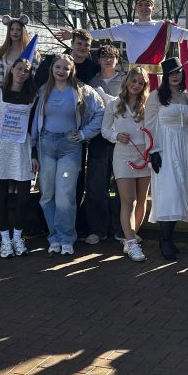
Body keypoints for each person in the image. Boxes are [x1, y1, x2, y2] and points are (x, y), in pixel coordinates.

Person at [59, 0, 188, 91]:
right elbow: (101, 33)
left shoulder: (164, 28)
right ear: (135, 9)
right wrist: (74, 33)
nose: (144, 8)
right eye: (140, 5)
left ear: (153, 8)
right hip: (133, 78)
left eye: (147, 5)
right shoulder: (127, 28)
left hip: (156, 79)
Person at [31, 54, 105, 256]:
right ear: (52, 69)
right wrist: (33, 149)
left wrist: (83, 134)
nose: (61, 71)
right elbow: (35, 120)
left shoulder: (82, 90)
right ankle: (54, 238)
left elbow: (101, 111)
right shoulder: (44, 90)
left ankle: (66, 238)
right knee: (47, 195)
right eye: (58, 67)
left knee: (65, 195)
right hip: (46, 146)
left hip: (69, 148)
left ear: (72, 70)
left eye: (66, 68)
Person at [0, 52, 39, 259]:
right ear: (11, 70)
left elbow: (34, 128)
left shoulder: (33, 96)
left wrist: (34, 154)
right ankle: (5, 239)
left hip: (22, 148)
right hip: (1, 147)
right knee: (2, 196)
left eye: (26, 71)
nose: (22, 73)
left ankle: (18, 237)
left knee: (24, 197)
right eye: (19, 69)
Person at [145, 58, 188, 260]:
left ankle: (169, 237)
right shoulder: (156, 96)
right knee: (169, 191)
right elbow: (149, 125)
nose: (175, 76)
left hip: (184, 146)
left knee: (181, 190)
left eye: (178, 72)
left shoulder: (186, 96)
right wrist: (153, 150)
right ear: (165, 76)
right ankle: (164, 239)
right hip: (165, 146)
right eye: (171, 73)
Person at [101, 67, 151, 262]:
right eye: (134, 81)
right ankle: (131, 242)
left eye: (141, 83)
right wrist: (116, 136)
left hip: (144, 155)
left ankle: (131, 238)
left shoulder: (148, 105)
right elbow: (105, 130)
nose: (136, 85)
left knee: (141, 200)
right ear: (127, 81)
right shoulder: (113, 104)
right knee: (128, 199)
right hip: (122, 155)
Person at [84, 45, 126, 244]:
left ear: (117, 59)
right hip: (99, 138)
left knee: (122, 186)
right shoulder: (92, 82)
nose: (107, 60)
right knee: (96, 185)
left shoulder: (126, 79)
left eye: (111, 56)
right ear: (98, 60)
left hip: (121, 138)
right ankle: (97, 230)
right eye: (103, 57)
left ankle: (122, 229)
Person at [34, 28, 99, 87]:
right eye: (79, 43)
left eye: (87, 45)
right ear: (72, 43)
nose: (83, 47)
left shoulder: (93, 69)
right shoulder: (52, 62)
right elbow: (37, 84)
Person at [0, 14, 40, 89]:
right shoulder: (2, 53)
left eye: (18, 29)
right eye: (12, 29)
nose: (15, 32)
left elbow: (36, 76)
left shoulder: (33, 54)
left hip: (24, 92)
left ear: (23, 31)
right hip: (3, 93)